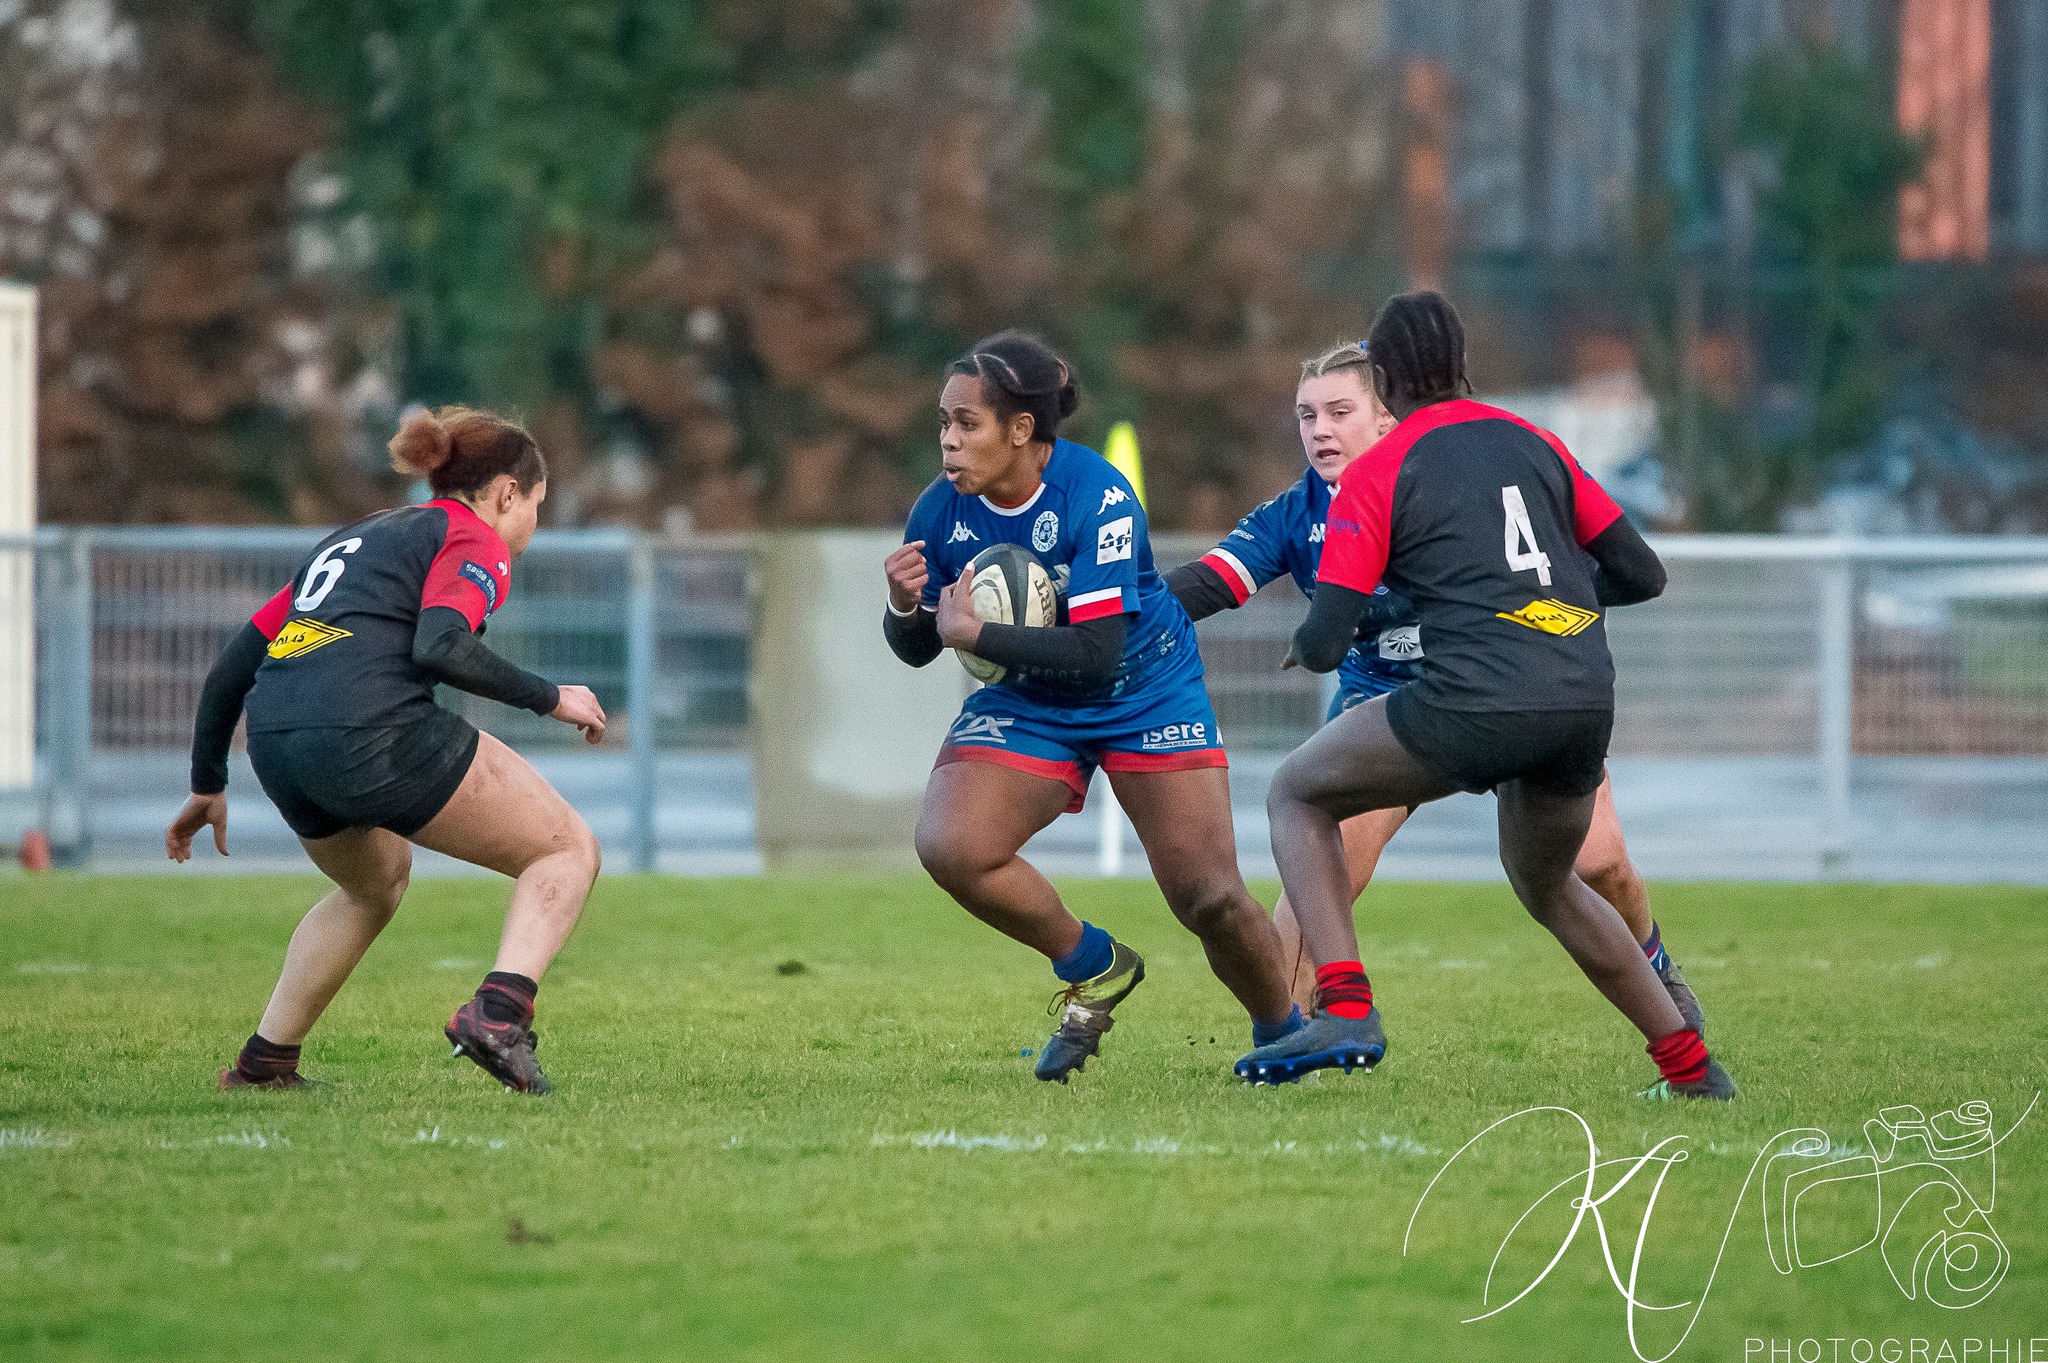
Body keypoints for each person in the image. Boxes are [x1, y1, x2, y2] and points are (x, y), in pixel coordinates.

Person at [1234, 293, 1734, 1099]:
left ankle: (1349, 1007)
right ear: (1463, 362)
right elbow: (1644, 573)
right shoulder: (1536, 442)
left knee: (1295, 792)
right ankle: (1691, 1068)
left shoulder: (1382, 469)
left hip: (1472, 700)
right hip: (1581, 695)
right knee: (1550, 883)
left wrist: (1301, 645)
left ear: (1385, 382)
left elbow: (1329, 638)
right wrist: (1545, 607)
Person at [883, 330, 1301, 1082]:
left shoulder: (1099, 496)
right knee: (952, 845)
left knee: (1209, 897)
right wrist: (902, 606)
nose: (948, 441)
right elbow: (917, 647)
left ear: (1021, 431)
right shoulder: (940, 510)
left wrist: (979, 633)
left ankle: (1283, 1032)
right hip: (1033, 696)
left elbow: (1098, 650)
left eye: (965, 423)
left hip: (1144, 686)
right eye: (943, 423)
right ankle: (1095, 963)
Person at [168, 406, 608, 1096]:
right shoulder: (473, 537)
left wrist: (207, 782)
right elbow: (438, 642)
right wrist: (550, 696)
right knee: (567, 849)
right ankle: (499, 1015)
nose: (530, 527)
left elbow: (232, 667)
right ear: (504, 494)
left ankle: (264, 1064)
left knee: (373, 883)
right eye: (535, 506)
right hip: (368, 729)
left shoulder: (362, 536)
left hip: (277, 741)